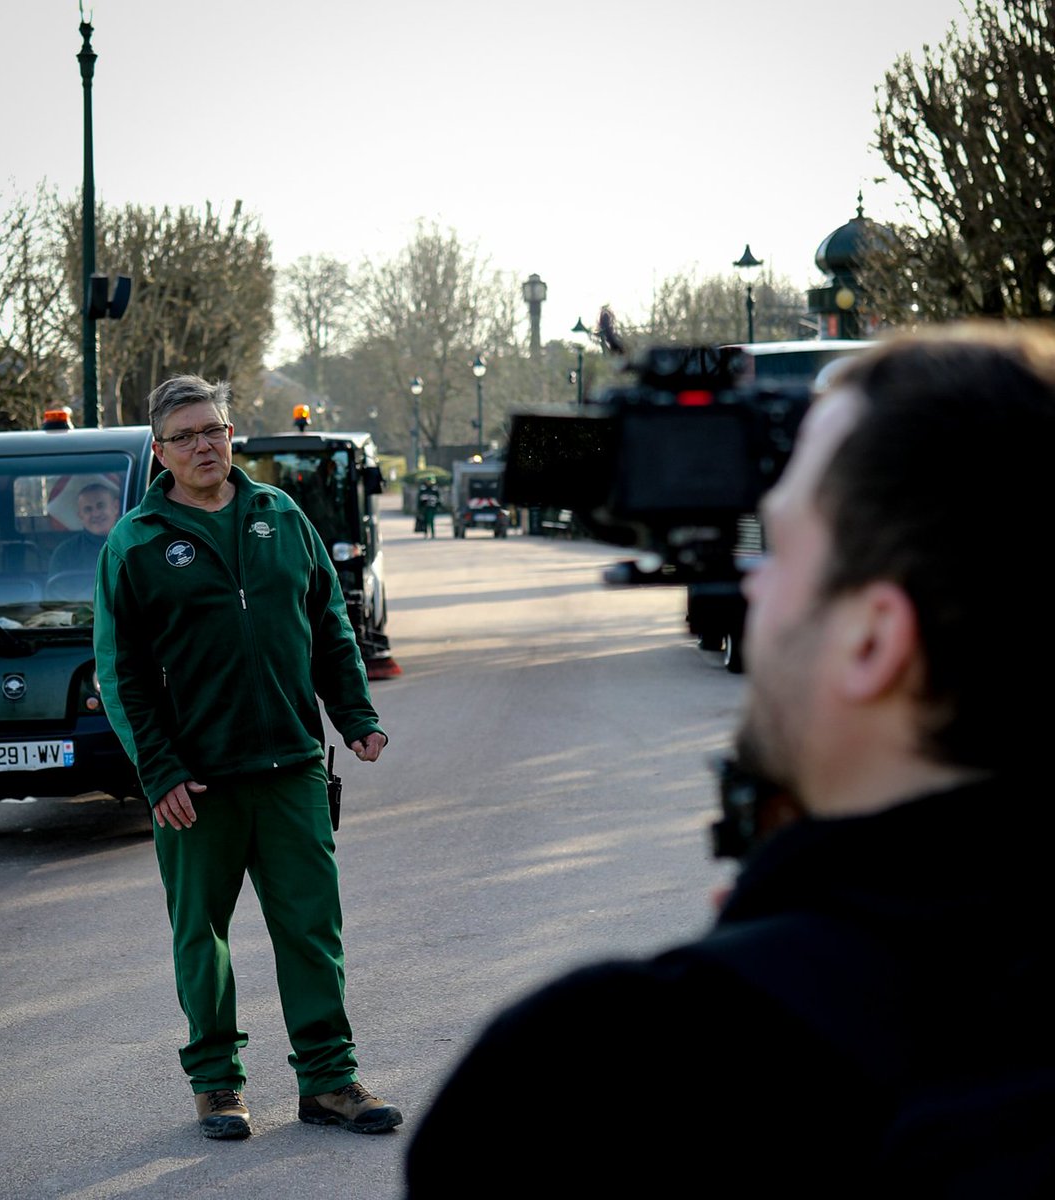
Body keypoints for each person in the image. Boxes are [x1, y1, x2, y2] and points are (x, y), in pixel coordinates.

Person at [404, 325, 1055, 1196]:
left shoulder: (587, 1086)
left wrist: (777, 946)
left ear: (874, 639)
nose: (748, 583)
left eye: (777, 548)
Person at [94, 374, 402, 1141]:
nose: (204, 445)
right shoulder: (134, 542)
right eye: (186, 436)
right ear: (160, 452)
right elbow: (120, 671)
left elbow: (328, 620)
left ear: (233, 435)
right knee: (203, 936)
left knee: (312, 930)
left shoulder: (281, 516)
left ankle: (329, 1082)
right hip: (197, 782)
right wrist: (158, 769)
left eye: (214, 430)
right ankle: (217, 1086)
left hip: (292, 767)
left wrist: (355, 714)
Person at [48, 481, 121, 576]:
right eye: (88, 509)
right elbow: (56, 590)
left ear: (115, 507)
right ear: (80, 516)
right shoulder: (65, 554)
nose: (96, 514)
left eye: (101, 506)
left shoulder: (133, 544)